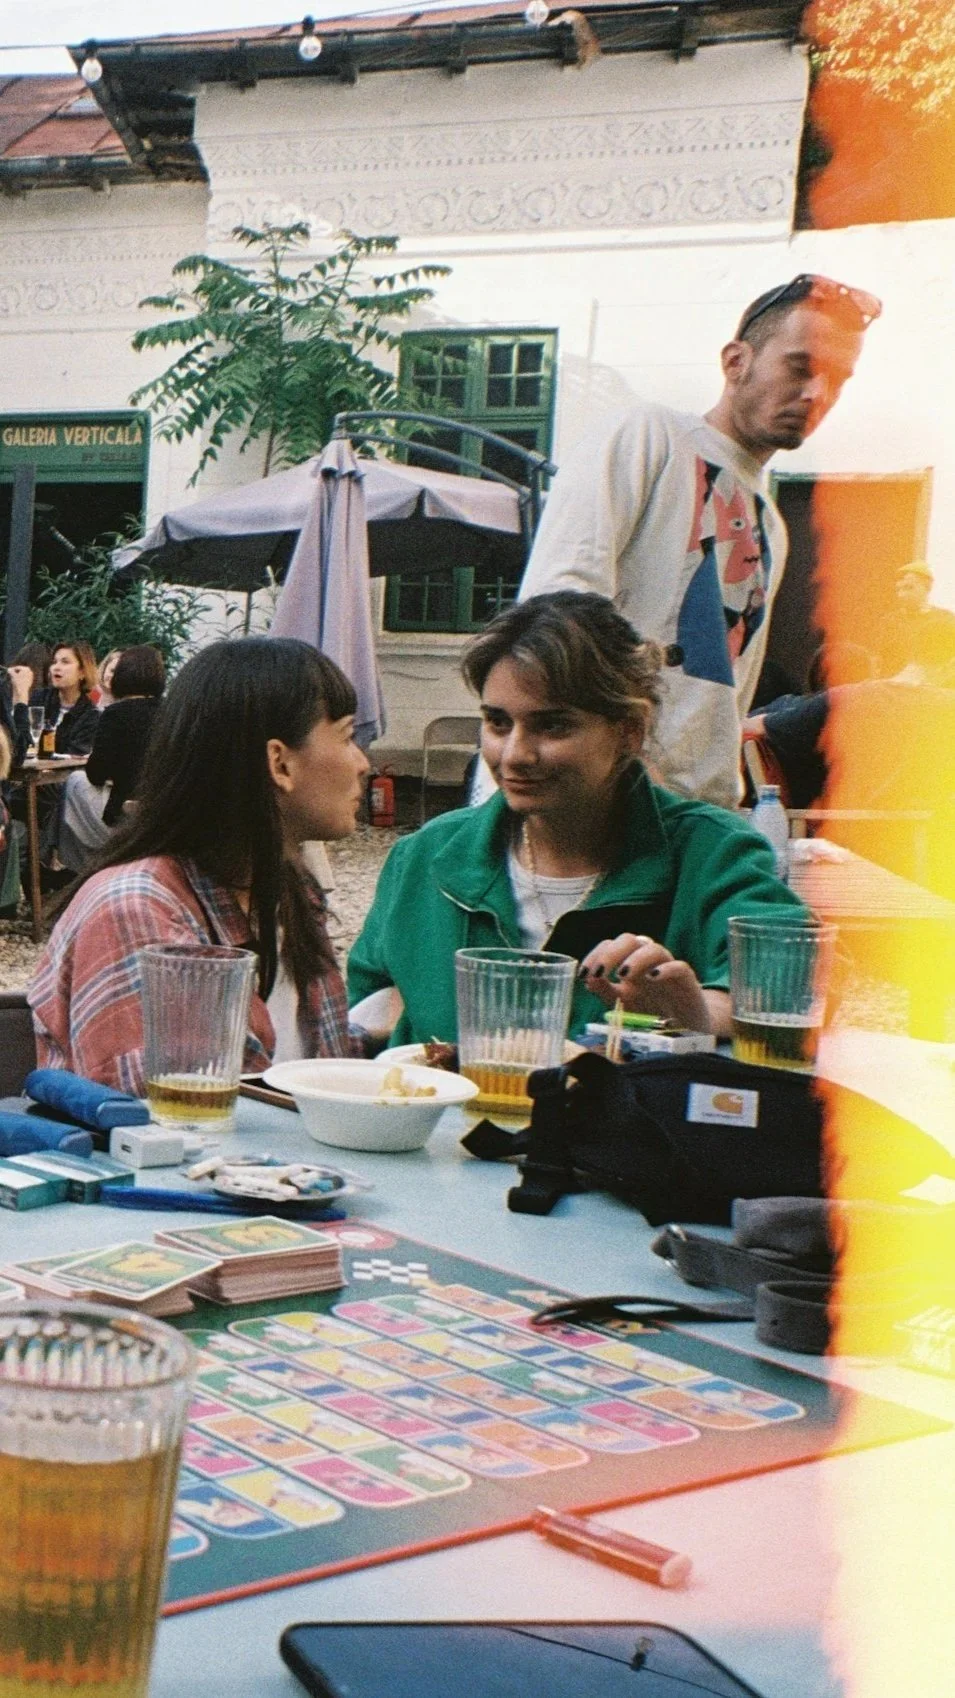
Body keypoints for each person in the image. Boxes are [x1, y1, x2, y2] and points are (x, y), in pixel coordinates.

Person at [349, 593, 804, 1046]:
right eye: (498, 723)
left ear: (629, 731)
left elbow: (789, 983)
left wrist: (696, 1013)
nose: (515, 755)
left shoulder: (713, 853)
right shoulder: (425, 858)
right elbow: (367, 1001)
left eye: (552, 726)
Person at [518, 274, 880, 808]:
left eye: (837, 379)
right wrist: (626, 766)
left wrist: (722, 810)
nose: (816, 394)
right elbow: (555, 611)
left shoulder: (773, 528)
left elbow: (725, 696)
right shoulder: (650, 437)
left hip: (690, 821)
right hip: (583, 801)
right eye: (800, 367)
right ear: (737, 361)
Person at [29, 636, 371, 1092]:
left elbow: (305, 1068)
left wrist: (382, 1032)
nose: (364, 763)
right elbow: (175, 1121)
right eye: (348, 736)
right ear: (279, 763)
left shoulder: (289, 891)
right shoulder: (138, 909)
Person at [57, 645, 167, 874]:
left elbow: (96, 774)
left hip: (124, 814)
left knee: (74, 781)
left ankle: (81, 868)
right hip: (162, 811)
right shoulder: (171, 711)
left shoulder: (116, 714)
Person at [875, 562, 955, 681]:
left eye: (909, 587)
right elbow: (881, 661)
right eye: (898, 589)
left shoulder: (946, 620)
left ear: (927, 588)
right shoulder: (890, 622)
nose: (901, 594)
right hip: (895, 690)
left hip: (932, 692)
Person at [30, 641, 100, 756]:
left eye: (65, 662)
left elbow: (76, 754)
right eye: (54, 662)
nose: (56, 667)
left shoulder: (91, 714)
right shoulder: (39, 698)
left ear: (82, 672)